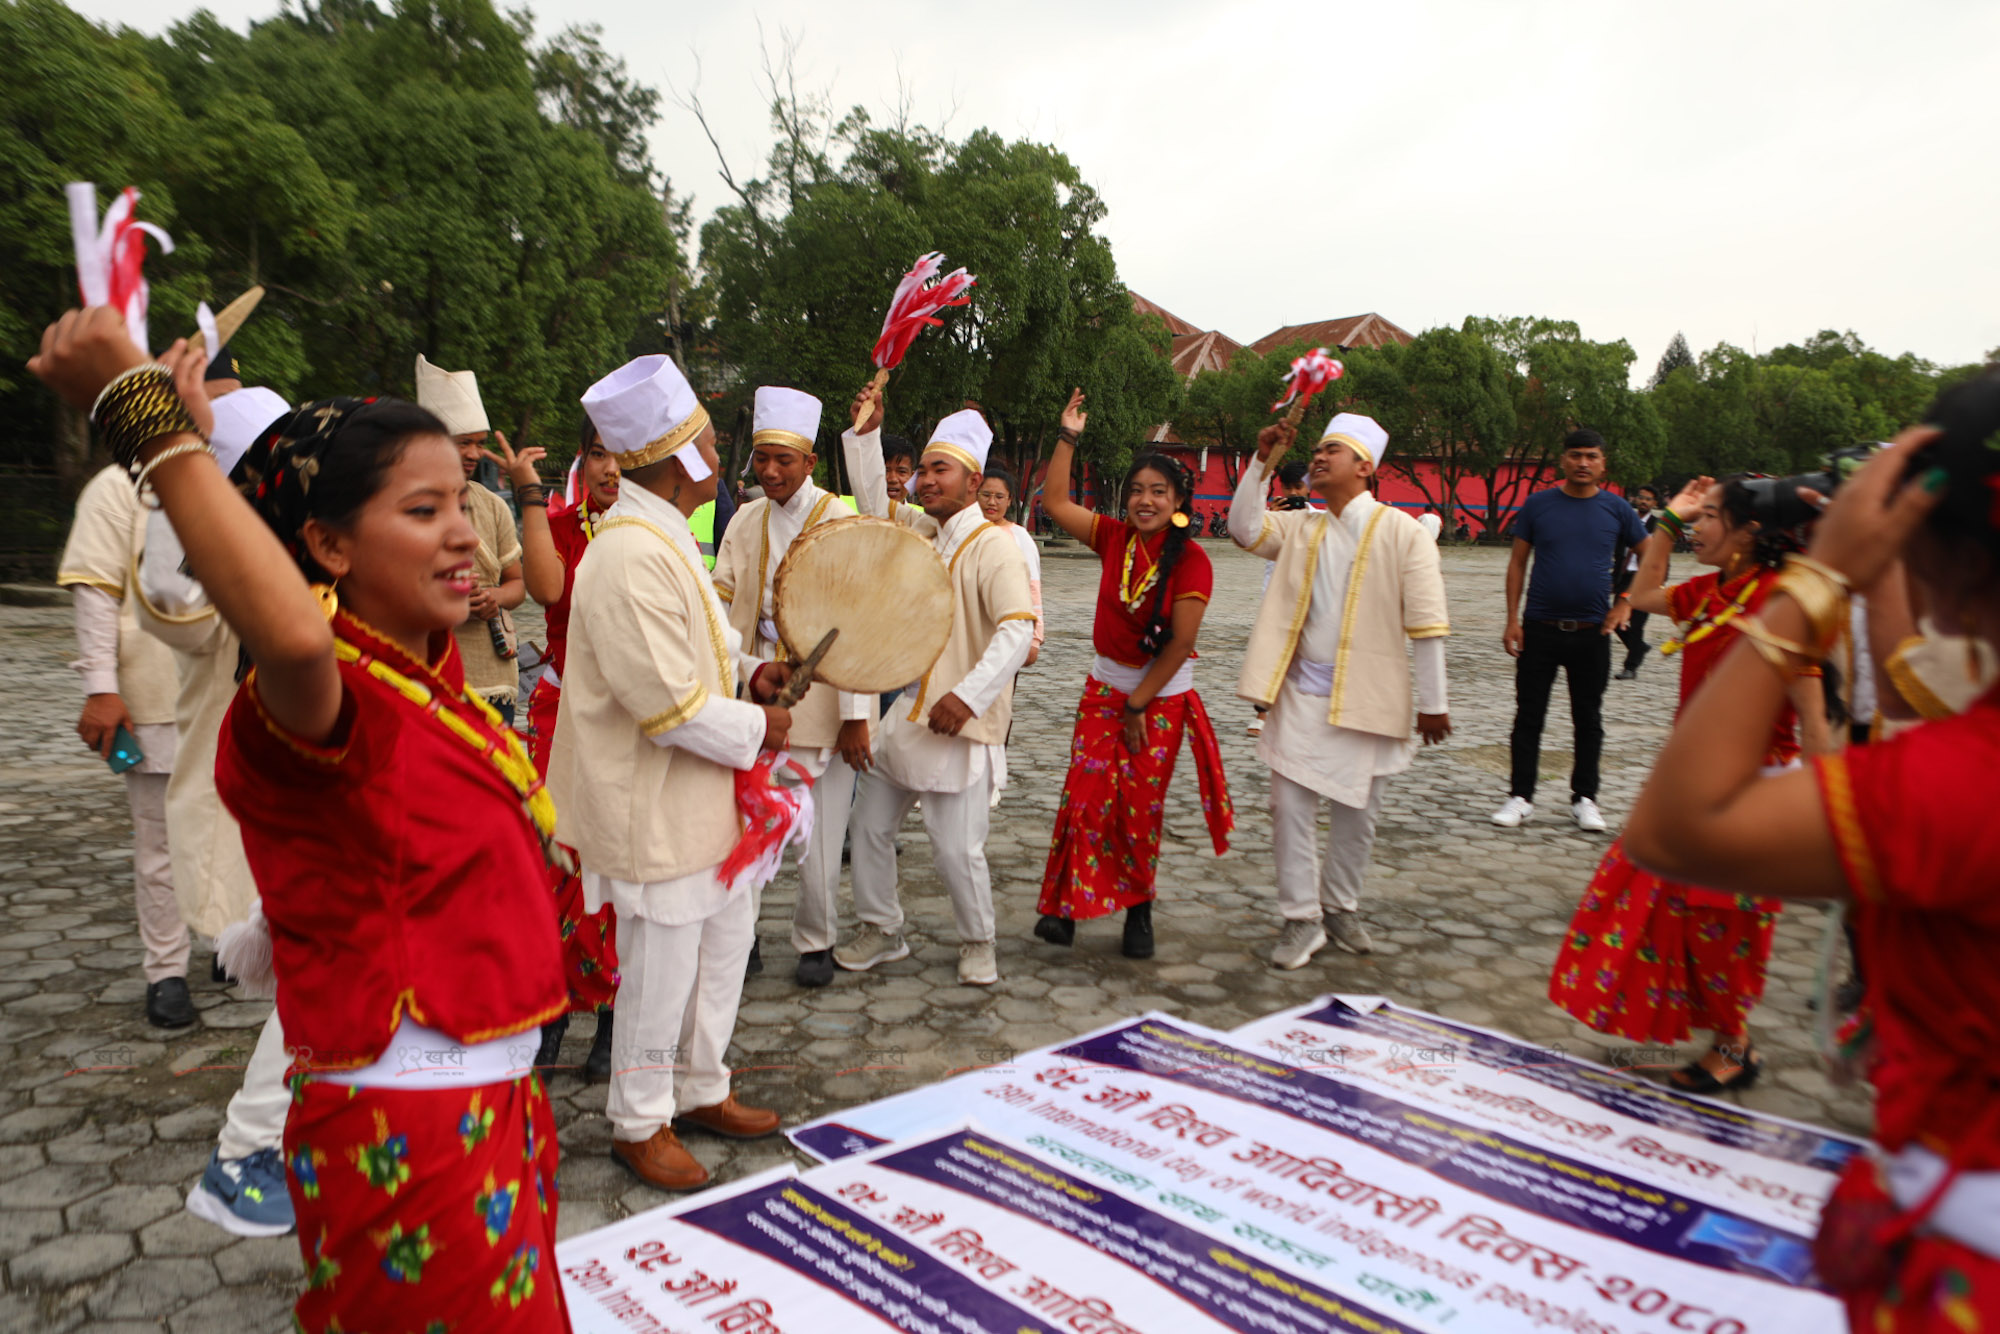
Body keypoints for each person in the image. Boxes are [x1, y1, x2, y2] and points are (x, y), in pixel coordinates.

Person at [32, 309, 573, 1330]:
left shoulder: (422, 669)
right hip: (410, 1122)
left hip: (491, 1103)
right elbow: (284, 622)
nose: (464, 529)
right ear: (323, 542)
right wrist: (146, 418)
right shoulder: (319, 699)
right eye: (423, 509)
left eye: (464, 497)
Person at [1617, 372, 2000, 1332]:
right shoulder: (1958, 762)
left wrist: (1824, 581)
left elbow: (1678, 827)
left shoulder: (1963, 787)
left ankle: (1731, 1045)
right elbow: (1915, 692)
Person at [546, 355, 788, 1192]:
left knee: (722, 945)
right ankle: (639, 1118)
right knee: (659, 966)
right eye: (715, 442)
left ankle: (699, 1086)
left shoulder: (665, 535)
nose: (724, 455)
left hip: (699, 793)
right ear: (685, 457)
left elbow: (709, 642)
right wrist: (765, 723)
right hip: (650, 798)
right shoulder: (626, 554)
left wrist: (752, 670)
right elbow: (670, 708)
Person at [1548, 473, 1834, 1091]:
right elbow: (1644, 590)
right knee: (1646, 904)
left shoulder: (1781, 600)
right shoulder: (1711, 593)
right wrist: (1669, 522)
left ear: (1750, 532)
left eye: (1709, 518)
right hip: (1693, 782)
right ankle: (1723, 1039)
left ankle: (1735, 1049)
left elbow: (1812, 713)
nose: (1697, 528)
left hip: (1752, 791)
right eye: (1696, 520)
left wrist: (1823, 808)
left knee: (1723, 926)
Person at [134, 377, 299, 1237]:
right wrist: (173, 458)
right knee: (311, 982)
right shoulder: (211, 570)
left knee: (326, 984)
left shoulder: (292, 551)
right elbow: (173, 600)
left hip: (307, 811)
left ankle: (291, 1135)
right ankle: (244, 1154)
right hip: (250, 812)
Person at [1230, 412, 1451, 969]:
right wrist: (1264, 461)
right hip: (1301, 697)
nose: (1320, 457)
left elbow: (1427, 622)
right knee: (1288, 806)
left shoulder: (1404, 534)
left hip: (1371, 700)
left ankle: (1341, 906)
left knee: (1359, 812)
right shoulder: (1301, 527)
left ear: (1366, 467)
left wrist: (1434, 704)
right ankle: (1301, 918)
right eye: (1318, 450)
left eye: (1334, 450)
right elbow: (1243, 529)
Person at [838, 386, 1036, 986]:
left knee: (956, 850)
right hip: (908, 717)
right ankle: (881, 929)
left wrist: (968, 697)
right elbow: (875, 502)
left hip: (958, 724)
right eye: (921, 469)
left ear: (973, 482)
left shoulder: (993, 549)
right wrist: (867, 435)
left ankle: (979, 941)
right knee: (868, 828)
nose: (924, 480)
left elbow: (1017, 632)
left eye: (938, 469)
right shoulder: (923, 532)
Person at [1033, 390, 1232, 958]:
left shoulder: (1193, 561)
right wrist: (1067, 436)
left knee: (1137, 807)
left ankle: (1137, 910)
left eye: (1158, 492)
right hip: (1104, 689)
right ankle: (1064, 909)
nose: (1145, 500)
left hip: (1160, 700)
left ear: (1178, 501)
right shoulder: (1113, 537)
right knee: (1084, 797)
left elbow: (1181, 643)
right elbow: (1054, 501)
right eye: (1138, 491)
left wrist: (1139, 705)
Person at [711, 386, 874, 989]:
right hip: (755, 693)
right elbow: (721, 603)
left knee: (821, 834)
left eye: (785, 459)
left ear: (810, 462)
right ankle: (740, 938)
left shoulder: (838, 518)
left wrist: (857, 715)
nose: (771, 471)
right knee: (744, 821)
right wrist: (728, 679)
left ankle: (816, 941)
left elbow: (856, 626)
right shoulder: (745, 518)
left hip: (825, 699)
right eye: (762, 459)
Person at [491, 419, 622, 1084]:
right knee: (549, 860)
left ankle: (611, 1015)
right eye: (598, 454)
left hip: (626, 720)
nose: (610, 470)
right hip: (559, 709)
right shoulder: (560, 523)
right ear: (583, 458)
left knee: (609, 862)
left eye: (624, 457)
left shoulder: (657, 531)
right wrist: (531, 500)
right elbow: (547, 593)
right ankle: (550, 1011)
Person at [57, 456, 192, 1028]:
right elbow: (93, 588)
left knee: (239, 828)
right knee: (161, 844)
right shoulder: (115, 488)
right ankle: (167, 970)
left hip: (230, 689)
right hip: (154, 686)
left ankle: (233, 943)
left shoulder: (225, 474)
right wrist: (100, 688)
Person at [1492, 429, 1649, 832]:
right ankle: (1521, 795)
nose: (1583, 463)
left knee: (1588, 718)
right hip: (1539, 628)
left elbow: (1652, 559)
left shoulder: (1617, 510)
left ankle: (1585, 798)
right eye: (1576, 455)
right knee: (1529, 716)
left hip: (1592, 632)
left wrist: (1624, 602)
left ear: (1602, 464)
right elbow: (1517, 564)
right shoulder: (1539, 505)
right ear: (1562, 461)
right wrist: (1512, 618)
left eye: (1591, 456)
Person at [416, 355, 527, 725]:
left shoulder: (491, 505)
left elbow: (517, 585)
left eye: (479, 444)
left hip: (493, 677)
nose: (473, 454)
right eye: (463, 443)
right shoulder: (404, 503)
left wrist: (491, 598)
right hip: (428, 670)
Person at [1613, 484, 1662, 679]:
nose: (1643, 501)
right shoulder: (1626, 522)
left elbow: (1661, 557)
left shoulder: (1658, 526)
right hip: (1625, 576)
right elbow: (1618, 552)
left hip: (1646, 579)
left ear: (1654, 503)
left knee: (1636, 624)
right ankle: (1639, 647)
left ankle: (1630, 667)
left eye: (1648, 499)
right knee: (1615, 619)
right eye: (1641, 497)